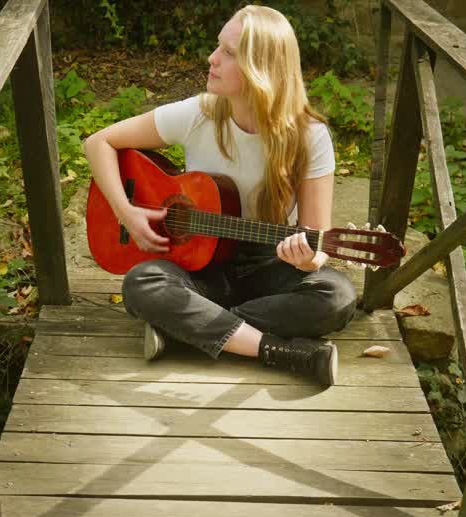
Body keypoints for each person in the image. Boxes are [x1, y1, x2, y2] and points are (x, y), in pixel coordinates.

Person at [82, 4, 356, 389]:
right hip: (199, 267)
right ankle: (277, 350)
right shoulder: (200, 114)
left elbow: (317, 239)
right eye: (218, 47)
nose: (212, 59)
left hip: (268, 263)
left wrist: (310, 259)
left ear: (260, 69)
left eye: (229, 53)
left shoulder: (308, 136)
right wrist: (126, 212)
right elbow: (99, 142)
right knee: (142, 283)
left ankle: (190, 329)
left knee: (337, 296)